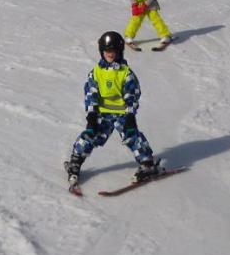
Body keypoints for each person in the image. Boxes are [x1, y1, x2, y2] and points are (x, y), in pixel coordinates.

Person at [65, 30, 161, 189]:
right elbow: (91, 93)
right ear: (101, 52)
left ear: (119, 51)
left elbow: (133, 95)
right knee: (90, 135)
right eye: (107, 51)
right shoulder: (96, 72)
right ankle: (75, 162)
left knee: (132, 135)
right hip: (102, 113)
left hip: (122, 113)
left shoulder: (126, 73)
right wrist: (91, 115)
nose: (110, 54)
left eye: (113, 51)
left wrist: (130, 115)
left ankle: (147, 163)